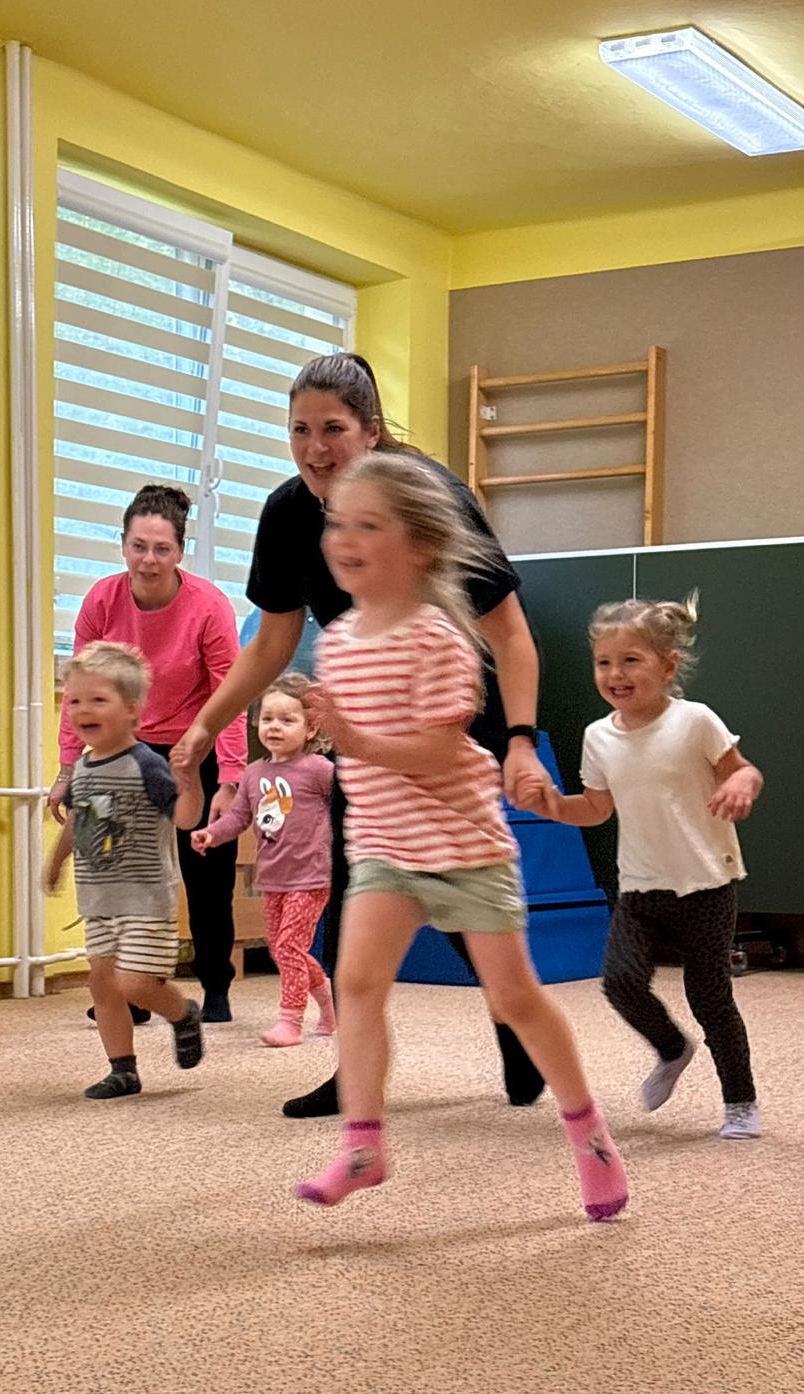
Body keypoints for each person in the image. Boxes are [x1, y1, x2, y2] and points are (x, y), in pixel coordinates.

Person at [171, 353, 551, 1115]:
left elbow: (510, 634)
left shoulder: (429, 499)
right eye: (300, 430)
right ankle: (354, 1073)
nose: (315, 448)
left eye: (333, 429)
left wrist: (519, 738)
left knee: (457, 882)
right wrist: (208, 723)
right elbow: (274, 641)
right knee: (359, 884)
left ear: (370, 432)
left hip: (447, 714)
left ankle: (518, 1025)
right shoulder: (288, 514)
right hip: (363, 723)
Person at [292, 453, 628, 1220]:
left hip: (463, 844)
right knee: (358, 985)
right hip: (383, 847)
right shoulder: (336, 642)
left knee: (514, 998)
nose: (344, 539)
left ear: (420, 547)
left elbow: (441, 751)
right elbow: (357, 750)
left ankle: (590, 1134)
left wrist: (353, 740)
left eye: (367, 526)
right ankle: (363, 1146)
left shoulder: (440, 639)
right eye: (338, 524)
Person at [519, 595, 764, 1139]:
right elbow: (596, 808)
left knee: (710, 998)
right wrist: (550, 806)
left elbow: (743, 770)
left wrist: (742, 784)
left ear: (668, 665)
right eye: (603, 662)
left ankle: (741, 1103)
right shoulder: (597, 736)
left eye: (631, 660)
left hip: (706, 883)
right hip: (639, 887)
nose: (615, 674)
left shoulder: (695, 721)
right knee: (620, 982)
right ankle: (672, 1048)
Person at [49, 485, 247, 1025]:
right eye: (139, 547)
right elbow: (80, 691)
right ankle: (129, 994)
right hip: (125, 748)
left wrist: (229, 778)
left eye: (162, 549)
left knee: (206, 871)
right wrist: (69, 768)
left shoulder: (208, 606)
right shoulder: (102, 601)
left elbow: (230, 692)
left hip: (193, 745)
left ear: (180, 551)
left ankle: (216, 985)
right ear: (122, 545)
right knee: (120, 868)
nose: (149, 560)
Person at [44, 642, 205, 1100]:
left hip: (145, 899)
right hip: (98, 899)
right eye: (74, 700)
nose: (82, 710)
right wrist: (57, 860)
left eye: (98, 700)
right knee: (102, 985)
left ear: (131, 709)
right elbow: (78, 820)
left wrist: (190, 783)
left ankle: (182, 1013)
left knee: (134, 983)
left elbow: (185, 819)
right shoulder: (82, 768)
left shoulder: (146, 765)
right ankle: (123, 1069)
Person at [192, 673, 335, 1047]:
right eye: (268, 718)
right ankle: (328, 1002)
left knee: (288, 947)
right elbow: (239, 818)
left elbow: (346, 805)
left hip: (311, 875)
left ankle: (290, 1021)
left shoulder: (319, 769)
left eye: (287, 720)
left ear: (309, 729)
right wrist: (212, 834)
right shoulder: (253, 773)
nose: (275, 727)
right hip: (273, 877)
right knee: (283, 949)